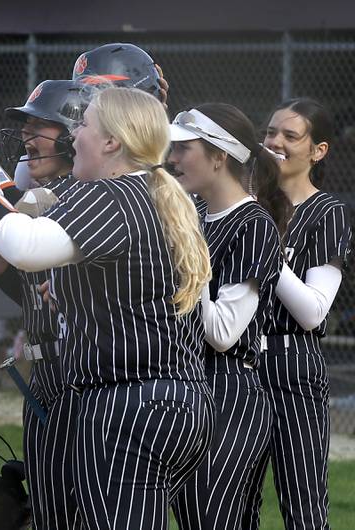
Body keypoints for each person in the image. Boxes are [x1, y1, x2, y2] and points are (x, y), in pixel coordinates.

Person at [0, 86, 215, 530]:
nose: (76, 137)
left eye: (86, 126)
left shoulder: (116, 193)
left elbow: (24, 244)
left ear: (112, 141)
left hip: (129, 402)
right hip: (178, 399)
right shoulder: (155, 193)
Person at [0, 78, 80, 529]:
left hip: (82, 378)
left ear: (74, 131)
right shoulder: (52, 195)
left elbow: (2, 201)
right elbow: (33, 293)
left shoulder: (86, 195)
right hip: (47, 376)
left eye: (39, 127)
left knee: (82, 505)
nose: (27, 137)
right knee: (44, 506)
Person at [166, 103, 290, 529]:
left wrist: (189, 255)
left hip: (231, 392)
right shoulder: (197, 215)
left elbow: (223, 332)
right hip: (192, 387)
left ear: (219, 156)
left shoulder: (254, 223)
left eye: (184, 148)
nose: (173, 158)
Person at [243, 98, 351, 530]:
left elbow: (312, 312)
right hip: (237, 366)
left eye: (291, 135)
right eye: (270, 132)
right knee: (230, 505)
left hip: (293, 366)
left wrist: (265, 247)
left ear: (318, 150)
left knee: (304, 508)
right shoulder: (244, 205)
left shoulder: (328, 213)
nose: (275, 142)